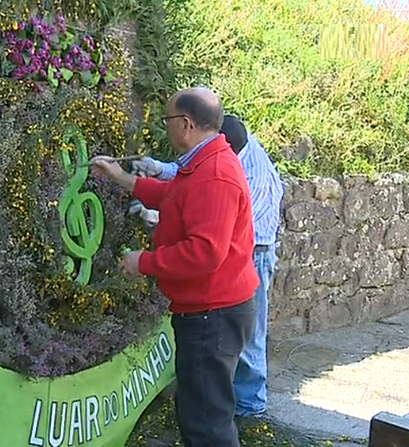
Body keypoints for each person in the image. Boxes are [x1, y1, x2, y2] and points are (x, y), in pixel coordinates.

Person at [91, 87, 259, 447]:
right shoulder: (203, 162)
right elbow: (174, 198)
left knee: (207, 424)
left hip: (212, 315)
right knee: (199, 410)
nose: (166, 127)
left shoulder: (214, 174)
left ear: (185, 124)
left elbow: (204, 253)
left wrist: (145, 262)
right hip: (209, 311)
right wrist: (123, 178)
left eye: (168, 120)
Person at [132, 114, 284, 419]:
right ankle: (228, 406)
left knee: (250, 338)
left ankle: (250, 406)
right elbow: (191, 173)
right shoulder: (226, 152)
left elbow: (211, 235)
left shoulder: (235, 175)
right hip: (239, 251)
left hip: (254, 252)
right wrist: (158, 170)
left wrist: (159, 222)